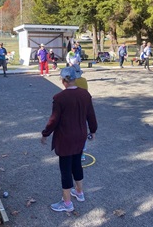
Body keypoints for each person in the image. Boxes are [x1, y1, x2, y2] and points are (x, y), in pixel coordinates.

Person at [41, 67, 98, 212]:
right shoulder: (85, 94)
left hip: (65, 138)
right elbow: (91, 115)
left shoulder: (59, 98)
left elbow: (54, 120)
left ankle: (67, 203)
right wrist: (93, 130)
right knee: (77, 163)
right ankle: (79, 192)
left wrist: (45, 133)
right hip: (80, 136)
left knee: (65, 169)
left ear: (64, 80)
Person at [72, 64, 89, 161]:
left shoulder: (73, 82)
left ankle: (74, 150)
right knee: (83, 129)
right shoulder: (84, 80)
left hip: (75, 108)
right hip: (84, 107)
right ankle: (82, 153)